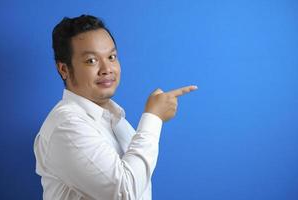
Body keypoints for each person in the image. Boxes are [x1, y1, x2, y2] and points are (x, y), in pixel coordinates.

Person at [33, 14, 197, 200]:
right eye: (91, 61)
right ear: (63, 69)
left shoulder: (115, 119)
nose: (107, 69)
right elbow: (124, 193)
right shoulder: (66, 126)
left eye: (111, 56)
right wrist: (153, 118)